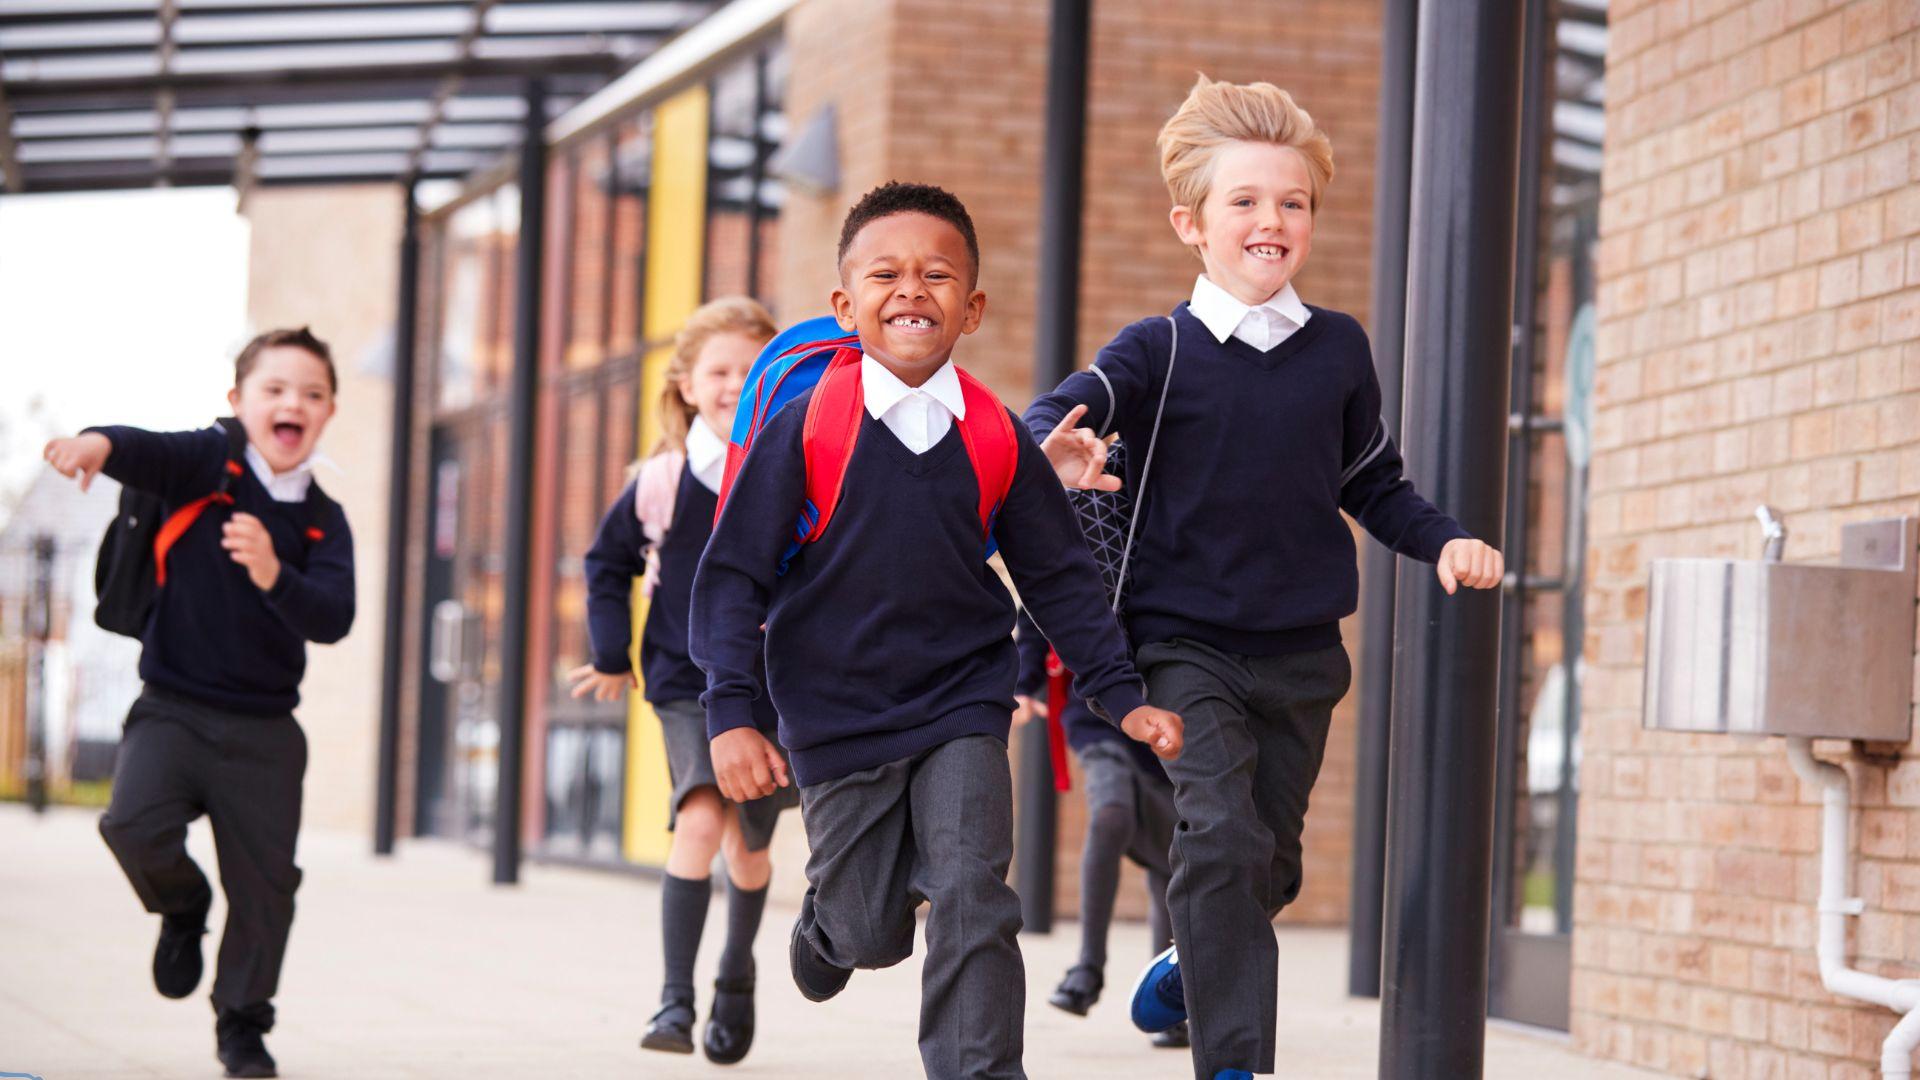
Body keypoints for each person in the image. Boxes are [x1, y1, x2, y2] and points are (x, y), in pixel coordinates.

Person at [1025, 76, 1505, 1080]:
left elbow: (1372, 482)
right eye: (1243, 201)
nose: (1271, 220)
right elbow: (1055, 415)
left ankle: (1184, 965)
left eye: (1291, 202)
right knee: (1225, 839)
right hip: (1180, 647)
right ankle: (1234, 1061)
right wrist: (1048, 454)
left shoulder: (1337, 348)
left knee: (1265, 861)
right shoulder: (1154, 350)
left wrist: (1445, 539)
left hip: (1301, 655)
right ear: (1191, 225)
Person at [689, 181, 1183, 1079]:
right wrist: (730, 711)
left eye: (938, 274)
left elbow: (1060, 578)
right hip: (835, 713)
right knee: (874, 932)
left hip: (963, 698)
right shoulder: (807, 427)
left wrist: (1121, 694)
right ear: (846, 305)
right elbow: (731, 575)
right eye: (886, 273)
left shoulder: (994, 434)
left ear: (973, 307)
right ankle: (830, 924)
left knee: (971, 890)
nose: (913, 289)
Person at [43, 327, 356, 1079]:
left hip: (266, 731)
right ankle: (183, 909)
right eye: (274, 389)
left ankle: (243, 1028)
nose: (292, 404)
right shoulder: (205, 464)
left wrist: (274, 572)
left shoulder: (324, 518)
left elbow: (334, 618)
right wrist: (95, 444)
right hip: (173, 709)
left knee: (267, 889)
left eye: (311, 395)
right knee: (131, 824)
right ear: (237, 402)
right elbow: (143, 448)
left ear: (330, 412)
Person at [567, 296, 793, 1065]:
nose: (736, 383)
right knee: (700, 816)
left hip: (775, 685)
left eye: (751, 369)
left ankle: (736, 972)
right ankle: (674, 998)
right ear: (688, 385)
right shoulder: (662, 480)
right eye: (719, 370)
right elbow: (606, 565)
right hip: (684, 676)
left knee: (749, 848)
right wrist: (609, 653)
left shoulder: (794, 464)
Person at [1013, 611, 1184, 1050]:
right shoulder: (1084, 539)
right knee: (1111, 814)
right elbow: (1042, 598)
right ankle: (1087, 969)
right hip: (1095, 703)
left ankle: (1167, 995)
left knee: (1171, 848)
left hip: (1172, 704)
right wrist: (1026, 680)